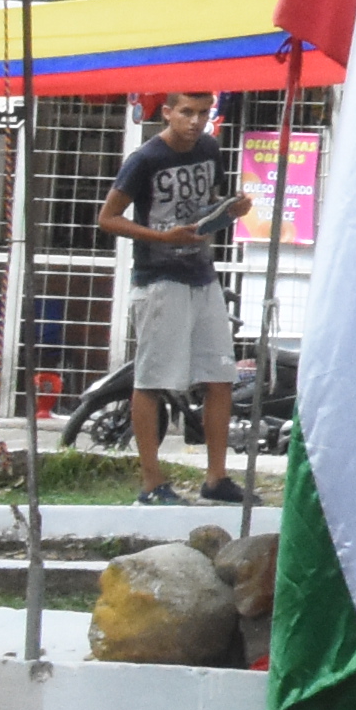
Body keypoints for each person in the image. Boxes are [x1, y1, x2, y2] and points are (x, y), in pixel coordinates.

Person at [97, 94, 245, 507]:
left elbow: (206, 209)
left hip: (203, 276)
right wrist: (162, 237)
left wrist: (229, 210)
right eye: (186, 113)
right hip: (160, 279)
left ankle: (216, 477)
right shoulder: (145, 158)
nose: (195, 122)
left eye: (202, 113)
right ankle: (151, 482)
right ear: (167, 113)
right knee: (153, 380)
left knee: (221, 376)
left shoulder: (210, 148)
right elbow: (108, 217)